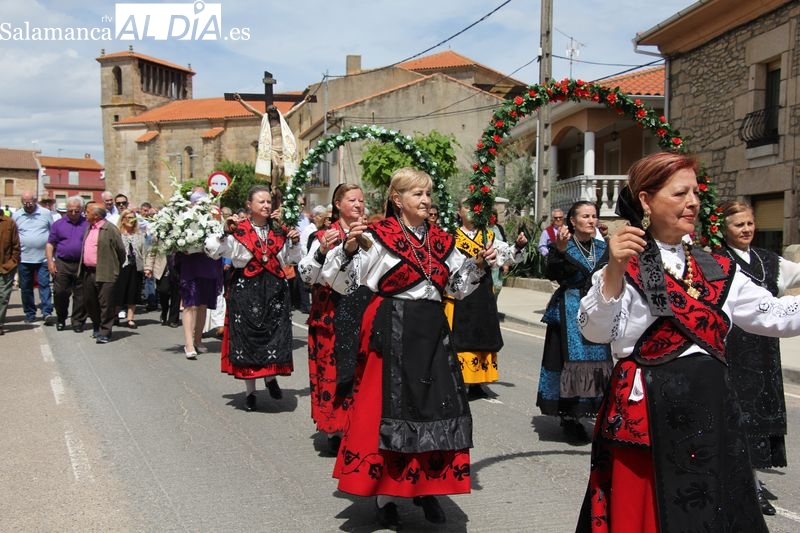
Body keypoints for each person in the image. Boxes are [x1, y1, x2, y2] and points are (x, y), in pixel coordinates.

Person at [573, 151, 800, 533]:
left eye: (695, 192)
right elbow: (595, 331)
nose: (693, 202)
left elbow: (776, 315)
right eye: (680, 194)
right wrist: (613, 268)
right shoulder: (625, 263)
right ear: (646, 200)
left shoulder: (716, 267)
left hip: (710, 411)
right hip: (649, 414)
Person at [320, 167, 498, 530]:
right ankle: (386, 496)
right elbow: (340, 283)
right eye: (417, 194)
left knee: (433, 407)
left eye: (428, 194)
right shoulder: (377, 236)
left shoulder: (442, 240)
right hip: (392, 325)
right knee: (388, 408)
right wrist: (349, 249)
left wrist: (479, 265)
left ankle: (427, 488)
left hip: (432, 330)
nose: (426, 200)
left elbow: (458, 287)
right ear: (398, 200)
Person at [717, 200, 800, 514]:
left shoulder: (769, 261)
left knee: (759, 419)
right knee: (737, 418)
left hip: (764, 355)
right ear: (724, 229)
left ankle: (748, 480)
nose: (746, 229)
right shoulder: (715, 262)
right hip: (730, 352)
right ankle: (745, 485)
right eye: (739, 225)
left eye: (750, 223)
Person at [204, 185, 301, 411]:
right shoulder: (238, 229)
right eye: (261, 202)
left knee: (273, 336)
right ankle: (250, 392)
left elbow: (291, 258)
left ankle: (270, 377)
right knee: (248, 340)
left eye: (269, 202)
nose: (267, 205)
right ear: (249, 205)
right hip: (246, 291)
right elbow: (212, 250)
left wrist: (294, 242)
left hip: (275, 291)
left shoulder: (279, 230)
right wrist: (225, 231)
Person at [298, 184, 369, 454]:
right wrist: (321, 252)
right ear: (338, 204)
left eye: (361, 200)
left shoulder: (370, 236)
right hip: (330, 312)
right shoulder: (323, 236)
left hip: (361, 311)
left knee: (359, 371)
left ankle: (356, 424)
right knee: (334, 371)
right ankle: (335, 427)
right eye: (352, 200)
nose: (358, 205)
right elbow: (308, 276)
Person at [536, 200, 610, 442]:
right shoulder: (564, 245)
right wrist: (559, 250)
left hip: (597, 311)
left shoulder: (603, 247)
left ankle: (595, 411)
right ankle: (570, 416)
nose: (591, 220)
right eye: (585, 216)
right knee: (567, 361)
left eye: (593, 216)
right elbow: (552, 274)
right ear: (573, 221)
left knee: (597, 359)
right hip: (568, 309)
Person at [444, 198, 527, 400]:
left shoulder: (488, 236)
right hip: (460, 294)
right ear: (458, 212)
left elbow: (504, 256)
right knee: (458, 337)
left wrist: (516, 246)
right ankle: (455, 380)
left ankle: (478, 382)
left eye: (474, 206)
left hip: (482, 294)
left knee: (482, 334)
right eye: (466, 207)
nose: (471, 210)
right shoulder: (450, 237)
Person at [176, 191, 224, 359]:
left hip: (209, 265)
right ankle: (188, 344)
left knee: (203, 305)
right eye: (198, 203)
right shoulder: (184, 220)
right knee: (190, 305)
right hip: (191, 267)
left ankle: (197, 340)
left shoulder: (213, 221)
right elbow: (176, 243)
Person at [80, 202, 125, 344]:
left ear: (96, 215)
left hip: (106, 271)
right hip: (88, 271)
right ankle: (96, 325)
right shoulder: (89, 228)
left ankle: (105, 331)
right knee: (90, 301)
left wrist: (115, 268)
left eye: (87, 212)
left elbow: (121, 251)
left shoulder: (110, 229)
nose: (84, 214)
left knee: (106, 303)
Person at [45, 196, 89, 332]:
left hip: (81, 264)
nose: (74, 214)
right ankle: (61, 318)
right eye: (70, 211)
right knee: (60, 293)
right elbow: (50, 244)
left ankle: (77, 321)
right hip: (63, 263)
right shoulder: (58, 224)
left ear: (81, 210)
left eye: (77, 211)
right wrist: (50, 262)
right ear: (66, 210)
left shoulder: (87, 223)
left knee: (81, 295)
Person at [13, 191, 54, 324]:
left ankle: (47, 312)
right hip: (24, 258)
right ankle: (30, 313)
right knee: (26, 287)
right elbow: (14, 234)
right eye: (25, 203)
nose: (28, 205)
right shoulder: (17, 215)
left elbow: (53, 232)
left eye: (30, 202)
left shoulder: (45, 213)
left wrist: (53, 255)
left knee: (44, 284)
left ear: (35, 201)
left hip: (43, 257)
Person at [114, 209, 146, 329]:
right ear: (122, 220)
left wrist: (146, 268)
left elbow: (144, 252)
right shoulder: (117, 234)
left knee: (133, 293)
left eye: (132, 218)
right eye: (127, 218)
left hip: (135, 267)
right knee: (119, 293)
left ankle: (130, 318)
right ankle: (115, 316)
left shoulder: (139, 235)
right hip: (121, 267)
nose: (130, 220)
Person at [144, 247, 180, 328]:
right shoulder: (158, 236)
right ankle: (164, 311)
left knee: (176, 295)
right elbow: (152, 252)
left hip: (177, 268)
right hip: (163, 269)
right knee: (163, 291)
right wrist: (148, 268)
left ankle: (173, 319)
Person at [0, 206, 20, 335]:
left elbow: (16, 246)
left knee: (3, 296)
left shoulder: (9, 222)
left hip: (5, 266)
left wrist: (12, 262)